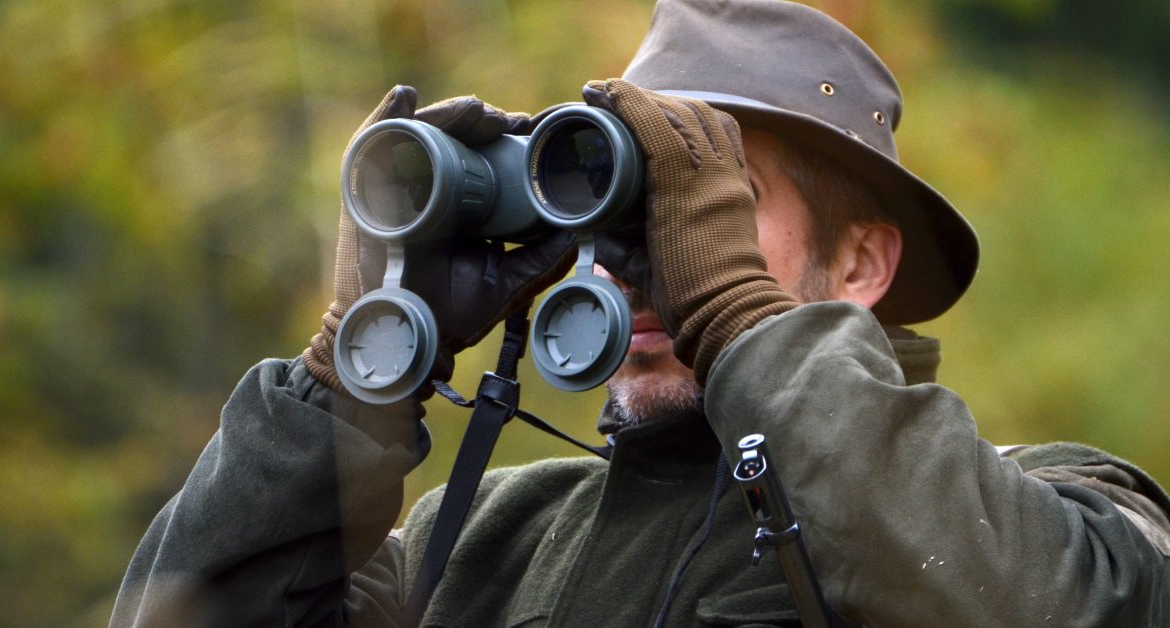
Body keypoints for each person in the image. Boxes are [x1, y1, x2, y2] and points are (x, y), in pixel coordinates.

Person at [111, 1, 1170, 626]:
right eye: (634, 198)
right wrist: (351, 376)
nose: (652, 257)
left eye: (712, 202)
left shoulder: (1062, 506)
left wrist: (742, 317)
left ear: (861, 262)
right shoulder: (479, 544)